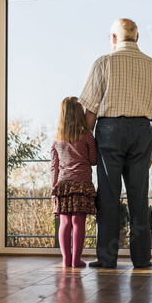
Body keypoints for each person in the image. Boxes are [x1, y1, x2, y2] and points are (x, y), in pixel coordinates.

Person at [79, 18, 152, 268]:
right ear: (137, 38)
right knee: (138, 198)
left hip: (109, 131)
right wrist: (150, 146)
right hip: (142, 131)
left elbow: (90, 112)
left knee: (108, 196)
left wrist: (87, 142)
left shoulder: (103, 63)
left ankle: (107, 259)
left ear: (114, 38)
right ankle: (142, 259)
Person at [51, 97, 98, 267]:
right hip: (82, 185)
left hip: (62, 186)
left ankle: (66, 260)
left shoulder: (57, 139)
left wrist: (53, 189)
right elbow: (93, 160)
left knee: (64, 223)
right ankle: (76, 260)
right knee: (78, 223)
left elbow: (54, 167)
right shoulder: (87, 136)